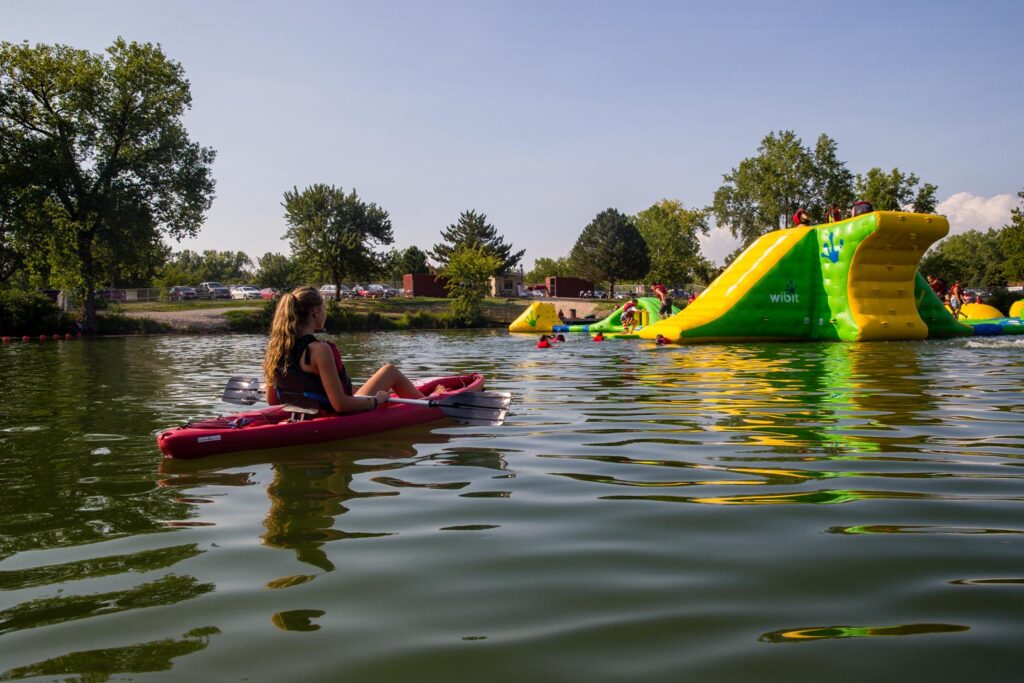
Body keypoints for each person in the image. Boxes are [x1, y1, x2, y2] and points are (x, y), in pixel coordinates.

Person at [263, 286, 430, 414]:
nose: (325, 313)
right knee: (390, 370)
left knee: (364, 386)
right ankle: (430, 403)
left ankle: (413, 395)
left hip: (307, 413)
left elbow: (272, 400)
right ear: (315, 312)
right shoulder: (320, 350)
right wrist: (376, 401)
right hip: (333, 415)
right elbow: (341, 405)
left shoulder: (277, 349)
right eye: (324, 309)